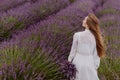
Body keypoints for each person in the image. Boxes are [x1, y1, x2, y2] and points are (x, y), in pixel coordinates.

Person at [68, 13, 106, 80]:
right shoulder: (96, 37)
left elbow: (73, 51)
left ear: (88, 24)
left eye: (85, 20)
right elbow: (96, 55)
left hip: (77, 62)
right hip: (89, 63)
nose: (83, 21)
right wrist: (95, 67)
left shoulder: (77, 35)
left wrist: (69, 62)